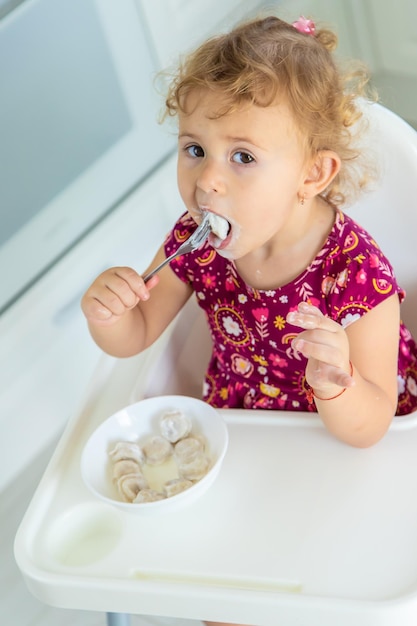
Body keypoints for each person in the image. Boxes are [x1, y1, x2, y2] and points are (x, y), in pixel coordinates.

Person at [82, 14, 417, 625]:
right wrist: (108, 312)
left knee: (326, 587)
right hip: (240, 427)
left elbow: (371, 424)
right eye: (194, 149)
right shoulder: (196, 240)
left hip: (341, 439)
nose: (207, 180)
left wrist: (337, 383)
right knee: (225, 599)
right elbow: (137, 335)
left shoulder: (359, 274)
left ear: (312, 175)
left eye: (242, 156)